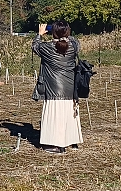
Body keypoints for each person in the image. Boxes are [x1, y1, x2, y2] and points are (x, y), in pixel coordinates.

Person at [31, 20, 83, 154]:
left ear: (53, 33)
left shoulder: (47, 48)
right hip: (70, 86)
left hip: (54, 87)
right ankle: (71, 141)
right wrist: (65, 32)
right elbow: (75, 41)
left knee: (55, 115)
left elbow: (35, 46)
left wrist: (40, 34)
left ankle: (57, 145)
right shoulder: (73, 46)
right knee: (68, 115)